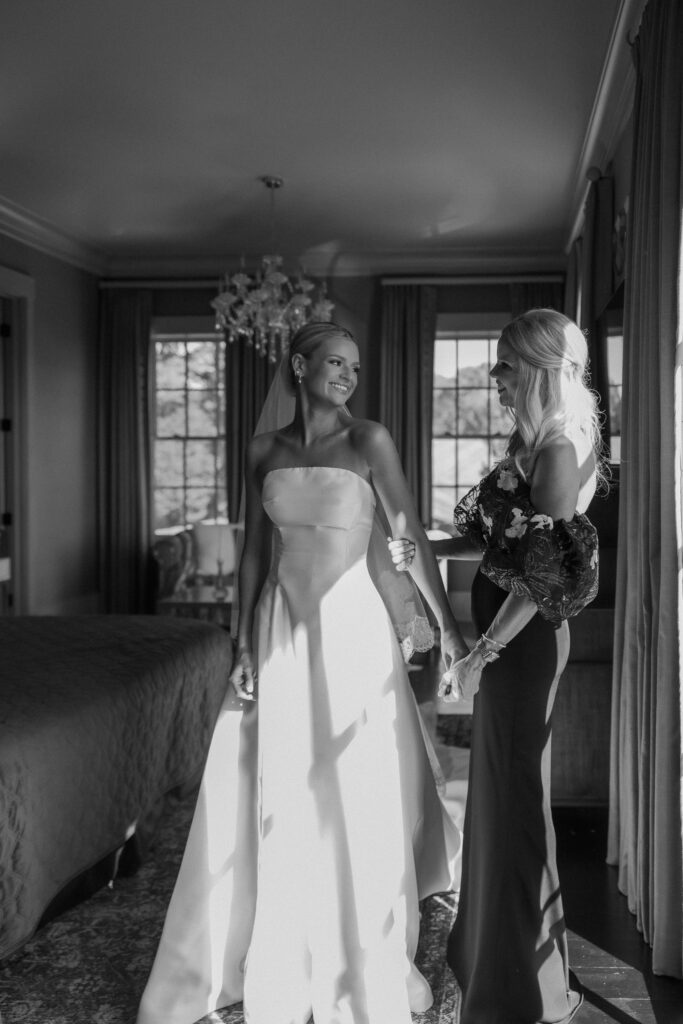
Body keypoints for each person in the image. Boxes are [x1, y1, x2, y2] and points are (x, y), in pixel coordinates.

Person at [137, 321, 467, 1024]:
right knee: (280, 779)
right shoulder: (264, 450)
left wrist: (446, 626)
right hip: (281, 623)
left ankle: (358, 944)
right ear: (298, 366)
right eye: (334, 363)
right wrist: (243, 638)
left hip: (352, 627)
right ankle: (277, 938)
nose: (347, 375)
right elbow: (256, 551)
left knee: (347, 782)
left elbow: (407, 536)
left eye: (354, 365)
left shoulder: (368, 440)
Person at [389, 308, 602, 1023]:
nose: (495, 375)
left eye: (506, 363)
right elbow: (497, 553)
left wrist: (479, 653)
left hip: (522, 647)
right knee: (498, 798)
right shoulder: (530, 443)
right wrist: (416, 552)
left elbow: (539, 582)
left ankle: (523, 990)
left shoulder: (559, 455)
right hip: (505, 646)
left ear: (541, 369)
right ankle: (488, 956)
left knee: (513, 804)